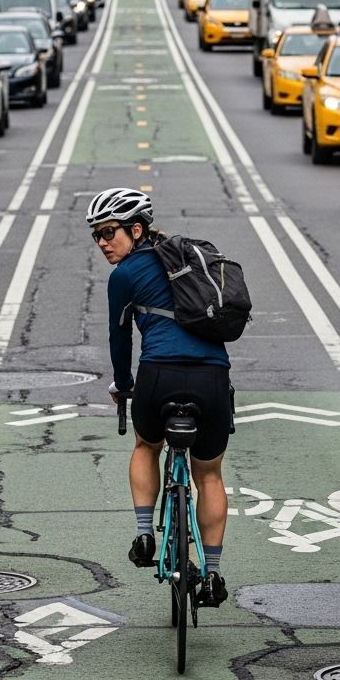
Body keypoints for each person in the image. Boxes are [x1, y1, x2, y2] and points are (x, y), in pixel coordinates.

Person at [87, 188, 232, 607]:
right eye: (97, 235)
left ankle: (144, 534)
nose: (102, 243)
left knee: (146, 445)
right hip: (212, 377)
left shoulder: (124, 275)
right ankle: (212, 574)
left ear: (136, 230)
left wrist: (123, 385)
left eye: (109, 232)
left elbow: (119, 337)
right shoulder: (192, 260)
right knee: (209, 475)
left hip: (158, 377)